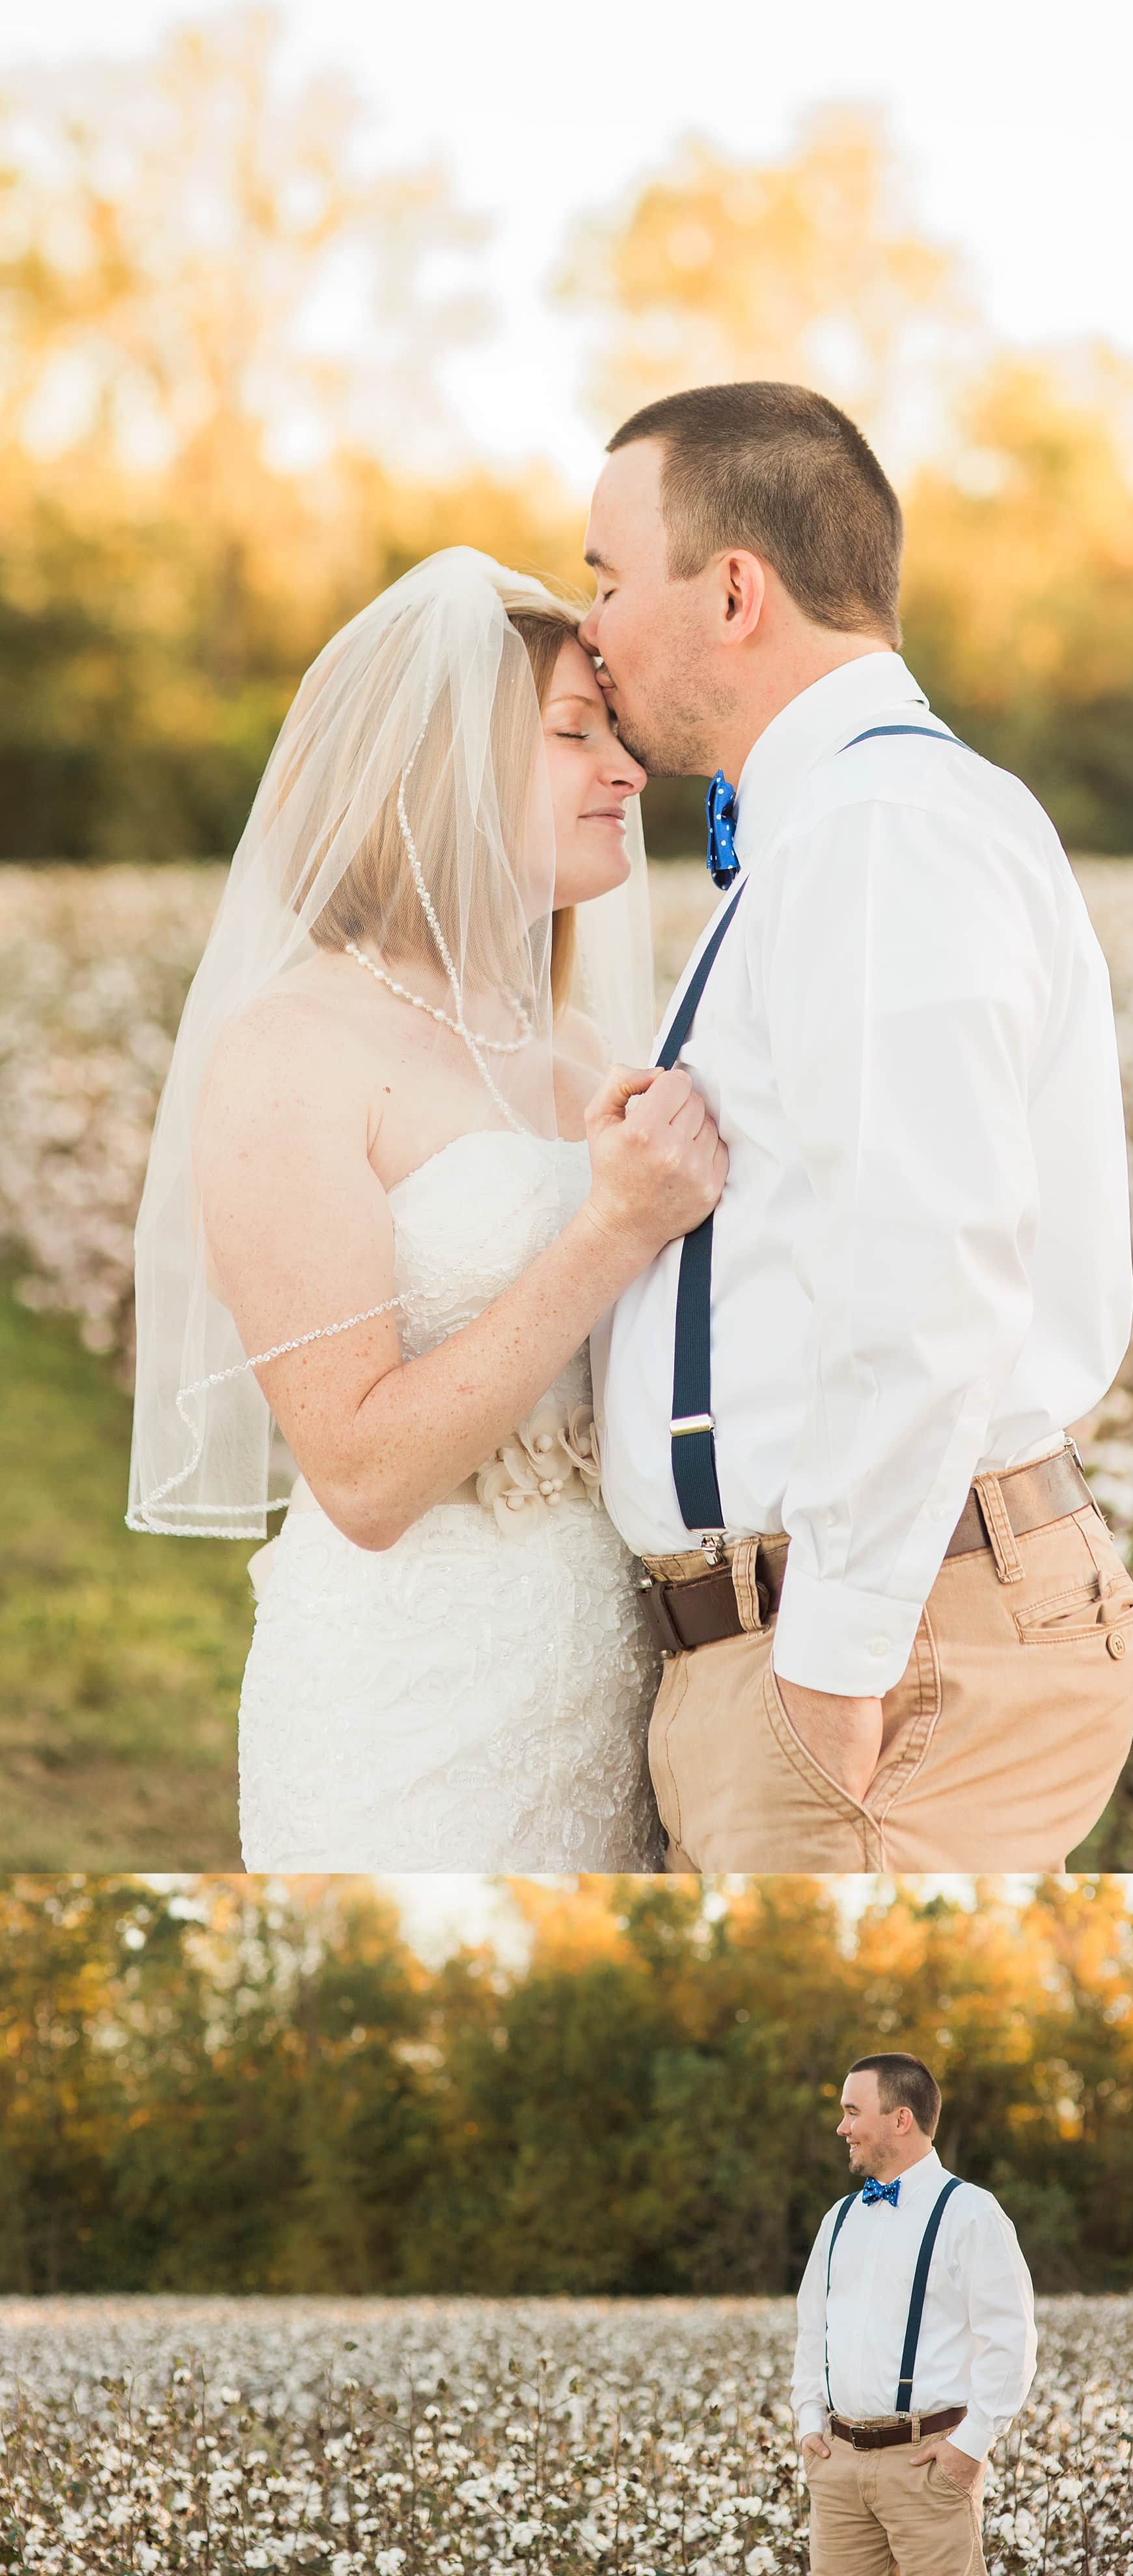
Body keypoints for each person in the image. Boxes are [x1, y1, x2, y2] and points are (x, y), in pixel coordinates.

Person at [586, 379, 1133, 1872]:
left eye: (606, 578)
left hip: (891, 1658)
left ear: (730, 589)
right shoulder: (836, 826)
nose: (591, 626)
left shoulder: (880, 832)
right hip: (865, 1637)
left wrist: (831, 1664)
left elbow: (925, 1259)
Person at [127, 548, 726, 1870]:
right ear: (434, 771)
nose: (629, 773)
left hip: (621, 1690)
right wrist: (612, 1230)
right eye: (577, 736)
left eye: (619, 737)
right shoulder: (295, 1050)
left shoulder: (583, 1047)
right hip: (411, 1707)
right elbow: (362, 1473)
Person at [791, 2052, 1037, 2576]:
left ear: (901, 2119)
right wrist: (809, 2420)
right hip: (837, 2469)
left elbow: (1011, 2341)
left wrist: (969, 2449)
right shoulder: (839, 2219)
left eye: (853, 2112)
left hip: (928, 2465)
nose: (842, 2127)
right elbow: (814, 2328)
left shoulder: (971, 2212)